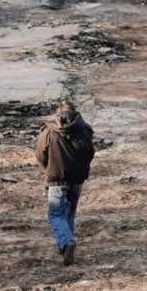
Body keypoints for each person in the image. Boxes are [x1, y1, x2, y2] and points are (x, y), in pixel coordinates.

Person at [35, 100, 95, 266]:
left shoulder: (49, 130)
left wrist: (49, 166)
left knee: (55, 214)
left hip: (57, 179)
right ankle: (66, 245)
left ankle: (66, 242)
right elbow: (90, 153)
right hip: (77, 179)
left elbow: (40, 154)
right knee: (69, 212)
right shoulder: (84, 129)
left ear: (58, 111)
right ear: (74, 112)